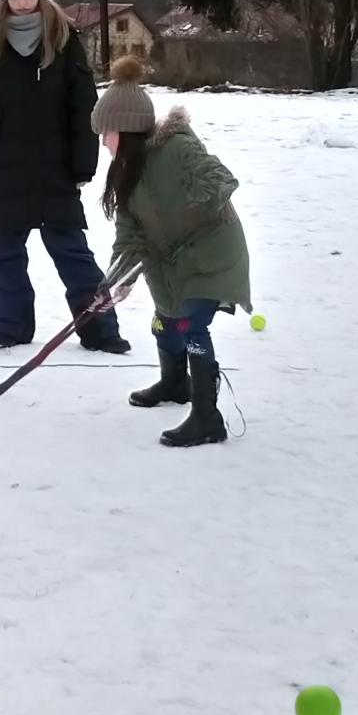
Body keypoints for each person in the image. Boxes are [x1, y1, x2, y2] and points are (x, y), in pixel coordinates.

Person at [0, 0, 130, 354]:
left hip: (54, 168)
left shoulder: (65, 41)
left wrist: (83, 163)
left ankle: (100, 331)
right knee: (4, 257)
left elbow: (83, 105)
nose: (23, 1)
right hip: (2, 169)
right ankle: (10, 326)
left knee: (73, 253)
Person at [91, 57, 252, 447]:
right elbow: (130, 235)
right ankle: (175, 382)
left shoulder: (176, 149)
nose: (102, 142)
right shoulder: (127, 170)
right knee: (166, 322)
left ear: (125, 129)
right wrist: (112, 283)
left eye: (106, 133)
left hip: (211, 254)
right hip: (168, 262)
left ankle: (207, 417)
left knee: (192, 326)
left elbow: (221, 178)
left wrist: (192, 208)